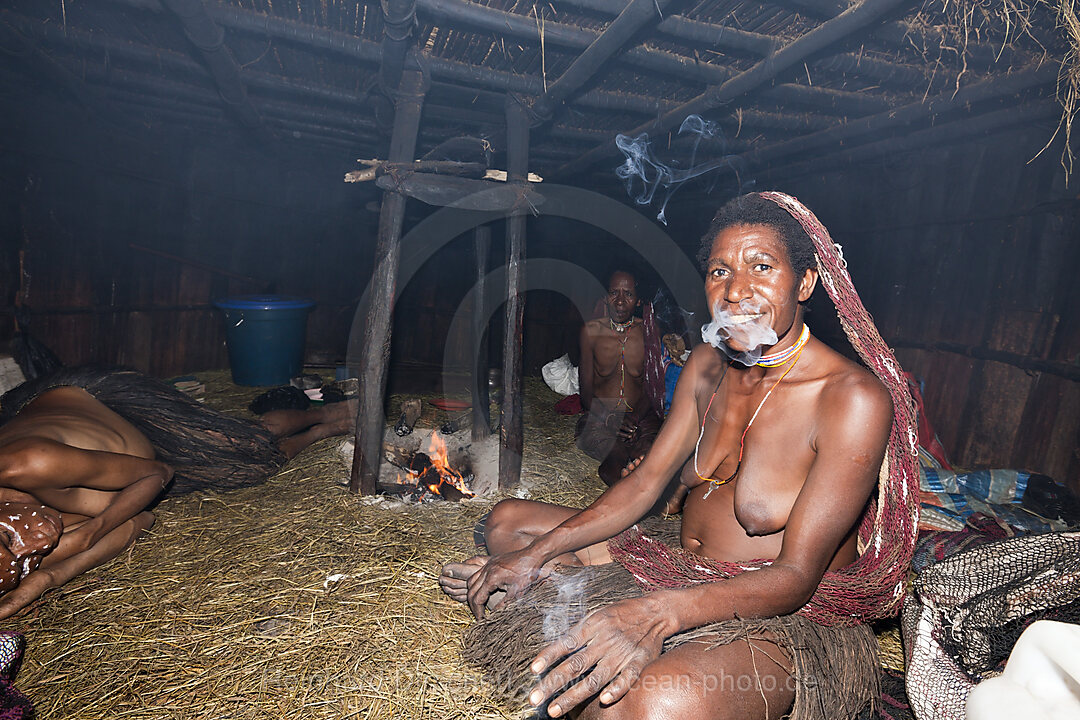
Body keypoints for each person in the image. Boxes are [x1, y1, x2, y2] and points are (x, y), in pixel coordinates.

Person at [440, 192, 907, 720]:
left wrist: (652, 615)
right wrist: (536, 555)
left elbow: (797, 576)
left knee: (649, 704)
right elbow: (644, 487)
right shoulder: (709, 365)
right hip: (680, 567)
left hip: (782, 614)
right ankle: (559, 598)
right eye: (719, 271)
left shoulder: (849, 398)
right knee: (511, 526)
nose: (736, 291)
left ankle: (578, 618)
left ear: (804, 283)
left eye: (761, 267)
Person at [0, 366, 357, 619]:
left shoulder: (29, 464)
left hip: (91, 402)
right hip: (133, 468)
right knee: (250, 468)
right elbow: (141, 518)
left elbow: (159, 473)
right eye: (23, 560)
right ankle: (323, 432)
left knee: (241, 441)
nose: (41, 541)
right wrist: (48, 577)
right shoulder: (18, 553)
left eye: (6, 536)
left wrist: (92, 531)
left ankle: (327, 411)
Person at [576, 268, 662, 486]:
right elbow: (585, 392)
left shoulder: (649, 332)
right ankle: (624, 502)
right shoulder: (590, 332)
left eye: (629, 294)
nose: (621, 301)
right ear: (606, 297)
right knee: (615, 456)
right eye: (615, 293)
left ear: (639, 300)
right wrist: (609, 418)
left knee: (648, 453)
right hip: (599, 417)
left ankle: (649, 496)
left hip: (641, 418)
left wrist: (633, 420)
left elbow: (653, 386)